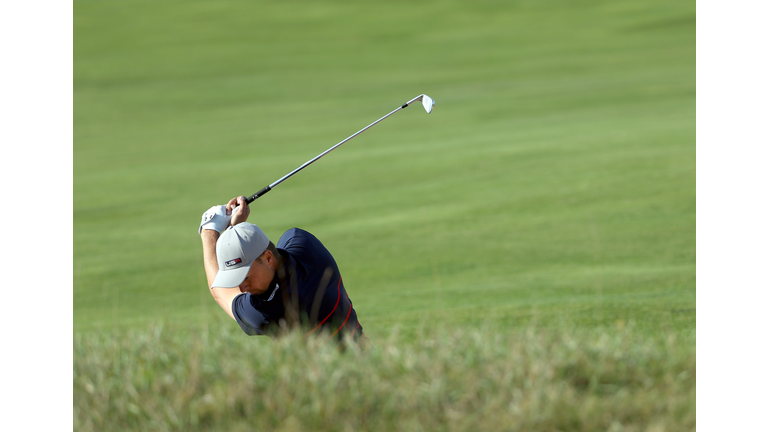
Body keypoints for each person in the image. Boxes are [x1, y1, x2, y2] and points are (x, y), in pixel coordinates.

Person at [199, 196, 365, 343]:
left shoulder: (264, 313)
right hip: (366, 355)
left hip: (327, 377)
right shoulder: (304, 243)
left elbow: (220, 292)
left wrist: (209, 229)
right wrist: (236, 232)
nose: (242, 288)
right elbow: (268, 253)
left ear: (269, 258)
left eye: (246, 277)